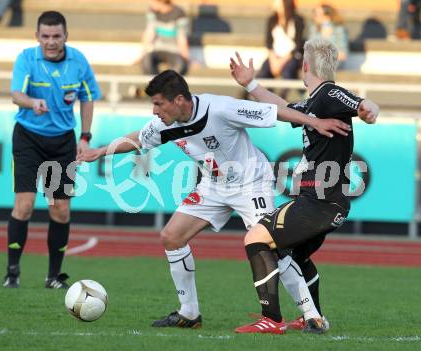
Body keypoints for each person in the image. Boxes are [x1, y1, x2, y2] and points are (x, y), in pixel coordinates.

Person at [78, 69, 352, 328]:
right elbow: (139, 138)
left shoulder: (220, 108)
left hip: (250, 184)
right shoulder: (164, 124)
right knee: (172, 236)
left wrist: (314, 121)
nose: (155, 111)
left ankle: (312, 316)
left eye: (159, 104)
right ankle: (189, 313)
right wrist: (100, 151)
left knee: (273, 245)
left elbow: (273, 111)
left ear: (179, 100)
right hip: (213, 185)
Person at [230, 38, 379, 334]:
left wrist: (368, 108)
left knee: (255, 238)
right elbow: (284, 108)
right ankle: (314, 318)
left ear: (305, 66)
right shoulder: (316, 102)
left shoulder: (328, 94)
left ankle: (271, 319)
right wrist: (251, 84)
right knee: (296, 255)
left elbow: (357, 102)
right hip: (328, 202)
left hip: (319, 202)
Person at [3, 11, 101, 289]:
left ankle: (53, 277)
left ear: (65, 36)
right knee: (24, 205)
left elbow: (88, 98)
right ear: (37, 37)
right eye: (45, 36)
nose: (51, 41)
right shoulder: (26, 59)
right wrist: (32, 102)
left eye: (56, 36)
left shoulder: (78, 61)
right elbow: (15, 95)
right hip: (28, 139)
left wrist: (85, 137)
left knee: (60, 210)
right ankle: (12, 273)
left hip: (61, 143)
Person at [255, 0, 304, 98]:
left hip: (291, 56)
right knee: (262, 75)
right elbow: (269, 42)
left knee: (288, 73)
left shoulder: (298, 20)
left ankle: (282, 100)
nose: (274, 3)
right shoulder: (272, 19)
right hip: (274, 56)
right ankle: (266, 98)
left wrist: (282, 61)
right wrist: (273, 60)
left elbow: (298, 44)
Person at [141, 0, 190, 76]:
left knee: (179, 67)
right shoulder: (152, 12)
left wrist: (186, 58)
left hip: (174, 50)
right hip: (155, 50)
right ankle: (155, 86)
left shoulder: (179, 13)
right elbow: (149, 34)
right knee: (146, 62)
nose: (151, 2)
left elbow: (181, 38)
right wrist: (143, 54)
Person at [308, 4, 349, 68]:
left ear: (327, 16)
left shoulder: (338, 30)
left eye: (316, 14)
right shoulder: (314, 29)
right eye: (314, 13)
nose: (314, 16)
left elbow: (342, 53)